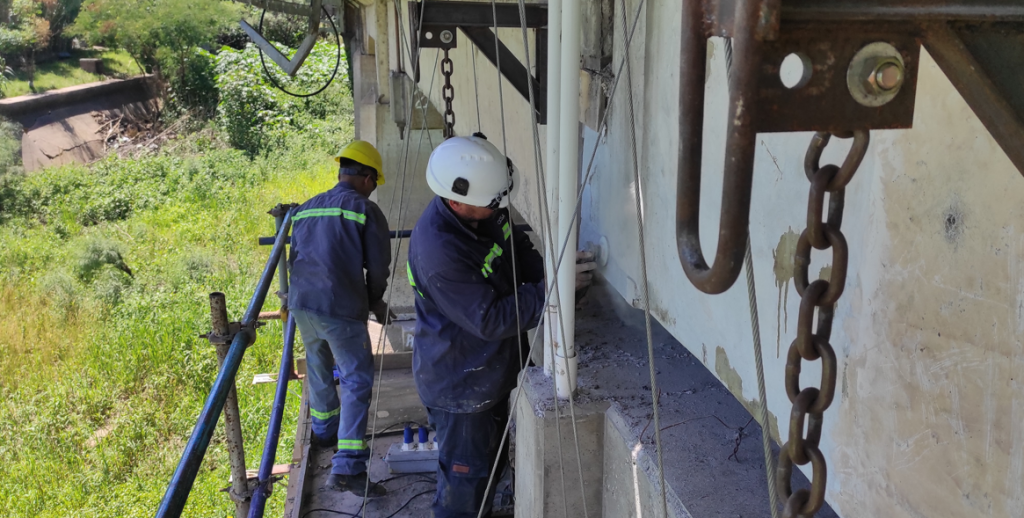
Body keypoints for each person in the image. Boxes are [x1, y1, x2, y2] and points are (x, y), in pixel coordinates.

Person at [406, 135, 594, 517]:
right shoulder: (438, 251)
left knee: (489, 468)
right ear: (455, 201)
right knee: (465, 488)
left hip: (488, 373)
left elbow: (516, 248)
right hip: (460, 388)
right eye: (491, 204)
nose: (499, 209)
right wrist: (552, 292)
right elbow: (489, 319)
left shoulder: (485, 203)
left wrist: (548, 273)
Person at [288, 140, 393, 497]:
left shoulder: (305, 209)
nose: (373, 189)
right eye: (375, 181)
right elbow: (378, 266)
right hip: (340, 309)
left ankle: (324, 431)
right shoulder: (365, 211)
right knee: (356, 379)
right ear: (365, 177)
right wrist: (375, 300)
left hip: (303, 305)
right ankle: (348, 467)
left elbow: (297, 258)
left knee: (318, 367)